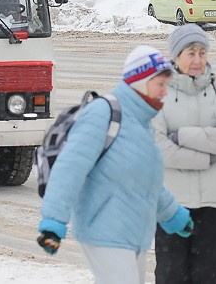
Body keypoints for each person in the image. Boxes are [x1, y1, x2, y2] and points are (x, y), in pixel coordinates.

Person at [38, 45, 195, 284]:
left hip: (134, 234)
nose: (165, 92)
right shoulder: (103, 113)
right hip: (105, 230)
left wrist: (173, 215)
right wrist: (53, 222)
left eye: (167, 85)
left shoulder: (142, 123)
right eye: (160, 84)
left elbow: (144, 181)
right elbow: (70, 167)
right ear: (140, 82)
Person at [153, 24, 216, 284]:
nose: (198, 60)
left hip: (215, 202)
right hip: (172, 203)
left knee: (209, 277)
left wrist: (180, 135)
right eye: (191, 53)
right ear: (177, 56)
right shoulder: (159, 93)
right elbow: (158, 146)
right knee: (171, 275)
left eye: (202, 53)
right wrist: (206, 158)